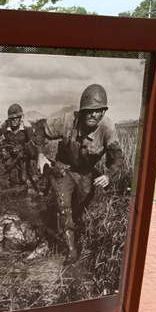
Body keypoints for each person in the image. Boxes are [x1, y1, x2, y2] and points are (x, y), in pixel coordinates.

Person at [34, 84, 124, 265]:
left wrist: (108, 176)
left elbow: (117, 159)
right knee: (63, 205)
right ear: (81, 112)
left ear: (104, 112)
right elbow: (40, 127)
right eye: (89, 111)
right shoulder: (67, 120)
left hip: (86, 173)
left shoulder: (107, 129)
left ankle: (77, 235)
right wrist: (40, 154)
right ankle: (71, 250)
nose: (93, 115)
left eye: (98, 111)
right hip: (65, 168)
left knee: (81, 210)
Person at [0, 104, 34, 184]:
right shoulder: (5, 124)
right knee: (6, 175)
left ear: (21, 118)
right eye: (12, 119)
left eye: (17, 118)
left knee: (23, 179)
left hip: (23, 155)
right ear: (9, 119)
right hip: (10, 154)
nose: (14, 121)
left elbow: (32, 142)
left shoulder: (27, 126)